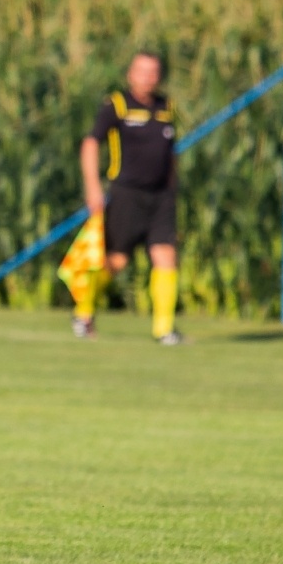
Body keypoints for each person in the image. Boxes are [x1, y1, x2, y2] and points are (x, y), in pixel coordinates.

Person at [75, 51, 182, 345]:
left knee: (166, 256)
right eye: (142, 71)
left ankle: (164, 330)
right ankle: (83, 311)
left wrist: (173, 186)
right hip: (127, 194)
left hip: (161, 196)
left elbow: (170, 152)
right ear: (130, 75)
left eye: (153, 72)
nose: (148, 78)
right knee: (116, 261)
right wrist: (93, 187)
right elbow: (90, 143)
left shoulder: (166, 107)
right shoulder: (117, 105)